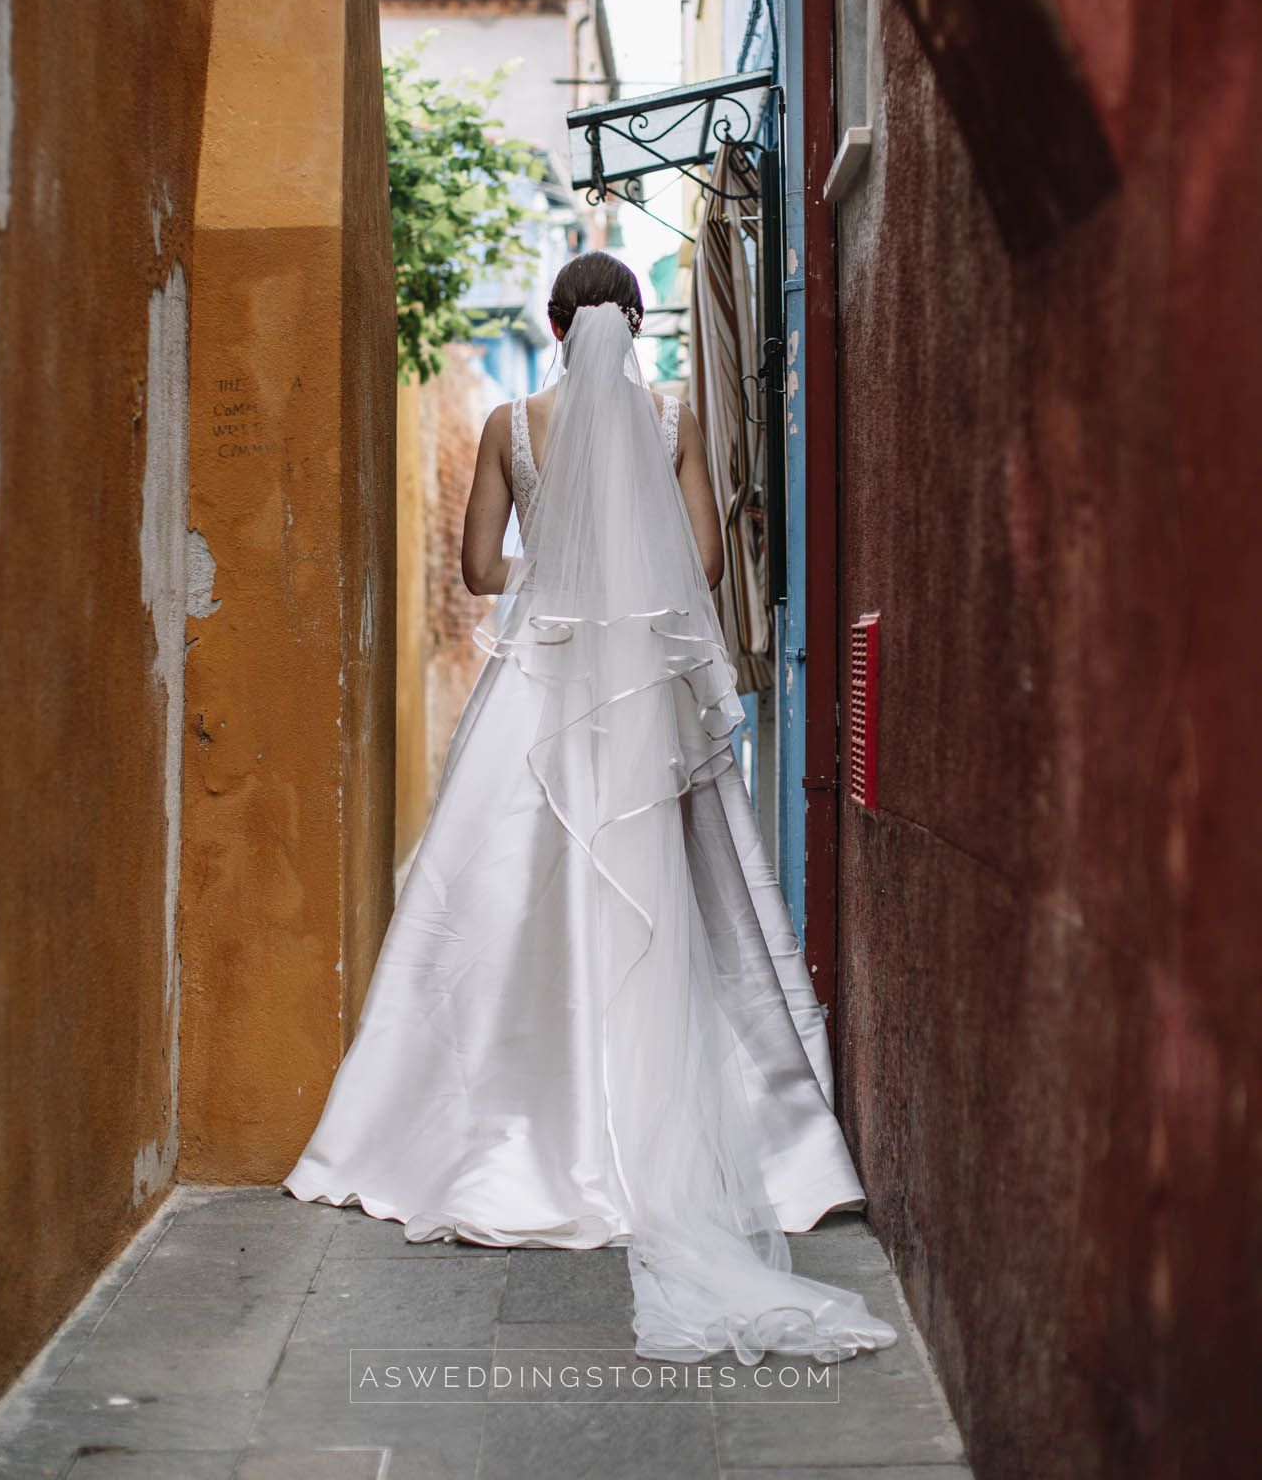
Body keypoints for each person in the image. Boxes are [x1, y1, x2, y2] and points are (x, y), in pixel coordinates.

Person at [283, 253, 897, 1366]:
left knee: (507, 893)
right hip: (640, 688)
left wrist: (562, 567)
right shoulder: (672, 413)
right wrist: (625, 565)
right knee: (679, 900)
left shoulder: (511, 421)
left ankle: (510, 1135)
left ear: (555, 323)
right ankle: (731, 1145)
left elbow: (475, 568)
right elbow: (705, 560)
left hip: (544, 681)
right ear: (638, 318)